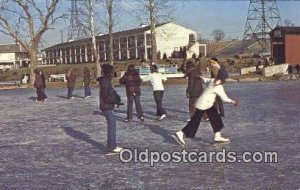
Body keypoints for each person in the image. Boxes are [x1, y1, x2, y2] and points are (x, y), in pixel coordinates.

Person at [172, 65, 239, 146]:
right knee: (195, 122)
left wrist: (200, 77)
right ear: (223, 78)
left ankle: (217, 136)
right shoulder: (218, 87)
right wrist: (233, 102)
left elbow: (205, 80)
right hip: (204, 105)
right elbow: (224, 98)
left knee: (216, 118)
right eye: (226, 78)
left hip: (206, 104)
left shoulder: (212, 80)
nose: (226, 80)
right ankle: (180, 133)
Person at [97, 64, 124, 154]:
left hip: (107, 105)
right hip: (106, 106)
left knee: (112, 125)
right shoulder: (105, 81)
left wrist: (117, 99)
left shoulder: (107, 81)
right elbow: (106, 96)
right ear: (109, 72)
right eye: (112, 71)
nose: (113, 73)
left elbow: (112, 93)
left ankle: (110, 145)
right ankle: (112, 146)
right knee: (112, 125)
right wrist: (114, 101)